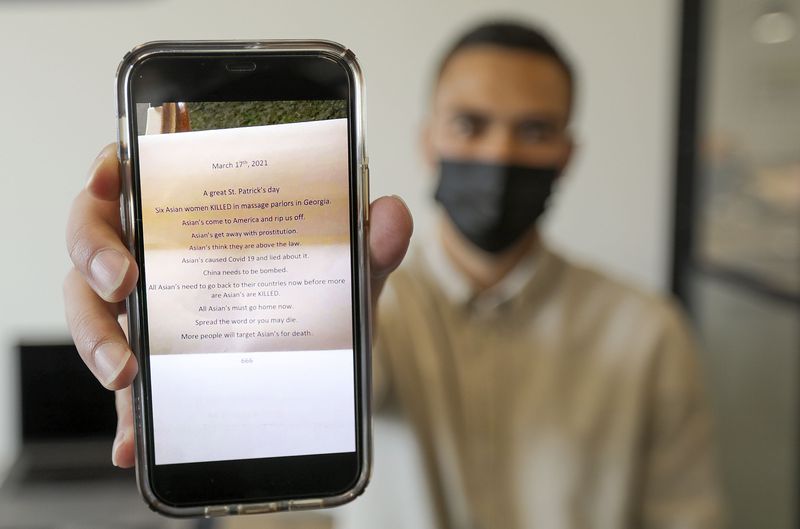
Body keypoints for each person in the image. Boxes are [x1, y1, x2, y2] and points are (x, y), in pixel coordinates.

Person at [64, 20, 722, 529]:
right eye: (471, 124)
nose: (498, 153)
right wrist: (191, 307)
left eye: (534, 129)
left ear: (567, 153)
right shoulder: (356, 299)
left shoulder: (648, 331)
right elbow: (344, 393)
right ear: (427, 137)